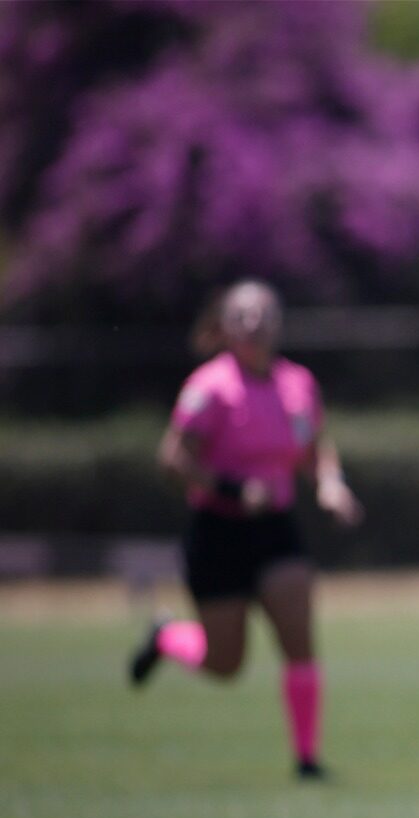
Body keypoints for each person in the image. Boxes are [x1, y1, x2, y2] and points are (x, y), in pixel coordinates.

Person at [129, 279, 363, 780]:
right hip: (218, 533)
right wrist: (232, 490)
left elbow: (317, 447)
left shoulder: (298, 384)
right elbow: (173, 459)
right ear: (225, 326)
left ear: (278, 323)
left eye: (263, 314)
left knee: (299, 635)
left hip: (276, 529)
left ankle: (306, 759)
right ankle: (168, 637)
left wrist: (330, 484)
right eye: (243, 315)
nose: (254, 324)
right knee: (225, 664)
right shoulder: (209, 388)